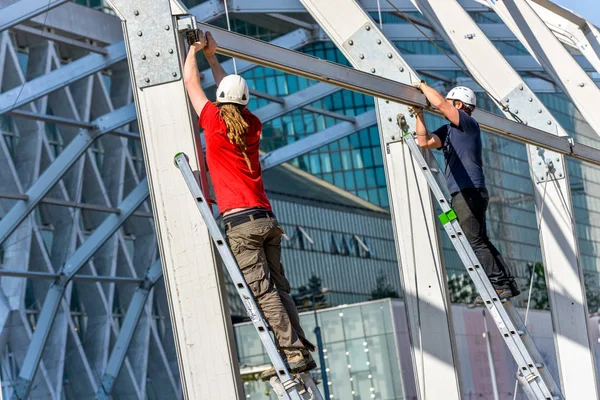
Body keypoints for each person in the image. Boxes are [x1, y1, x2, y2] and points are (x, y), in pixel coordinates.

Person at [182, 30, 316, 379]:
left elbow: (189, 83)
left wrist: (195, 51)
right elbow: (229, 92)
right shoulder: (253, 125)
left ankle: (292, 351)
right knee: (280, 288)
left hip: (241, 222)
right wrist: (213, 57)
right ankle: (299, 345)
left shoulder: (212, 121)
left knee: (263, 291)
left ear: (221, 100)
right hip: (266, 218)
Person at [411, 81, 520, 302]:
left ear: (459, 105)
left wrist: (422, 86)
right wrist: (419, 114)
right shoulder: (449, 131)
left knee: (475, 242)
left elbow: (440, 104)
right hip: (466, 193)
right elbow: (423, 141)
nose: (446, 106)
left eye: (452, 103)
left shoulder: (468, 124)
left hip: (468, 192)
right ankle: (506, 284)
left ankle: (499, 286)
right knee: (481, 240)